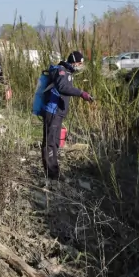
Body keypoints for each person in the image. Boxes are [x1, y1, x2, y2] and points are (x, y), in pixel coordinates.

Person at [41, 51, 93, 180]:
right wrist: (81, 93)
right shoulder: (61, 71)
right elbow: (63, 87)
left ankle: (54, 172)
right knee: (50, 143)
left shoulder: (68, 72)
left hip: (58, 112)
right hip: (52, 111)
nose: (80, 66)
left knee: (56, 142)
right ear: (74, 62)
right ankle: (52, 175)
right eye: (80, 63)